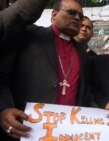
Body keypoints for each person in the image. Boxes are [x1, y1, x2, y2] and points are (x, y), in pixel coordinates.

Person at [0, 0, 91, 140]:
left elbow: (85, 94)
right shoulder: (29, 36)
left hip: (67, 133)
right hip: (26, 131)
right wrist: (3, 109)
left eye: (80, 15)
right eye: (71, 12)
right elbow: (2, 76)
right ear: (54, 15)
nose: (78, 18)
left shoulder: (82, 53)